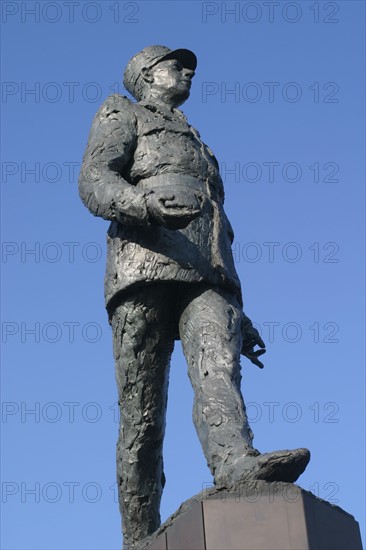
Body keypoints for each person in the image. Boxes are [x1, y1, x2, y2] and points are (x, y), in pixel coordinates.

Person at [78, 45, 310, 548]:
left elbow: (216, 226)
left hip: (208, 276)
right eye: (175, 64)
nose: (186, 72)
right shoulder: (123, 112)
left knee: (218, 368)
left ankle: (235, 463)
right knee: (143, 415)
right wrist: (142, 203)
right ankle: (138, 535)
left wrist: (239, 312)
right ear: (146, 74)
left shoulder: (199, 144)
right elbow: (94, 181)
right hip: (144, 268)